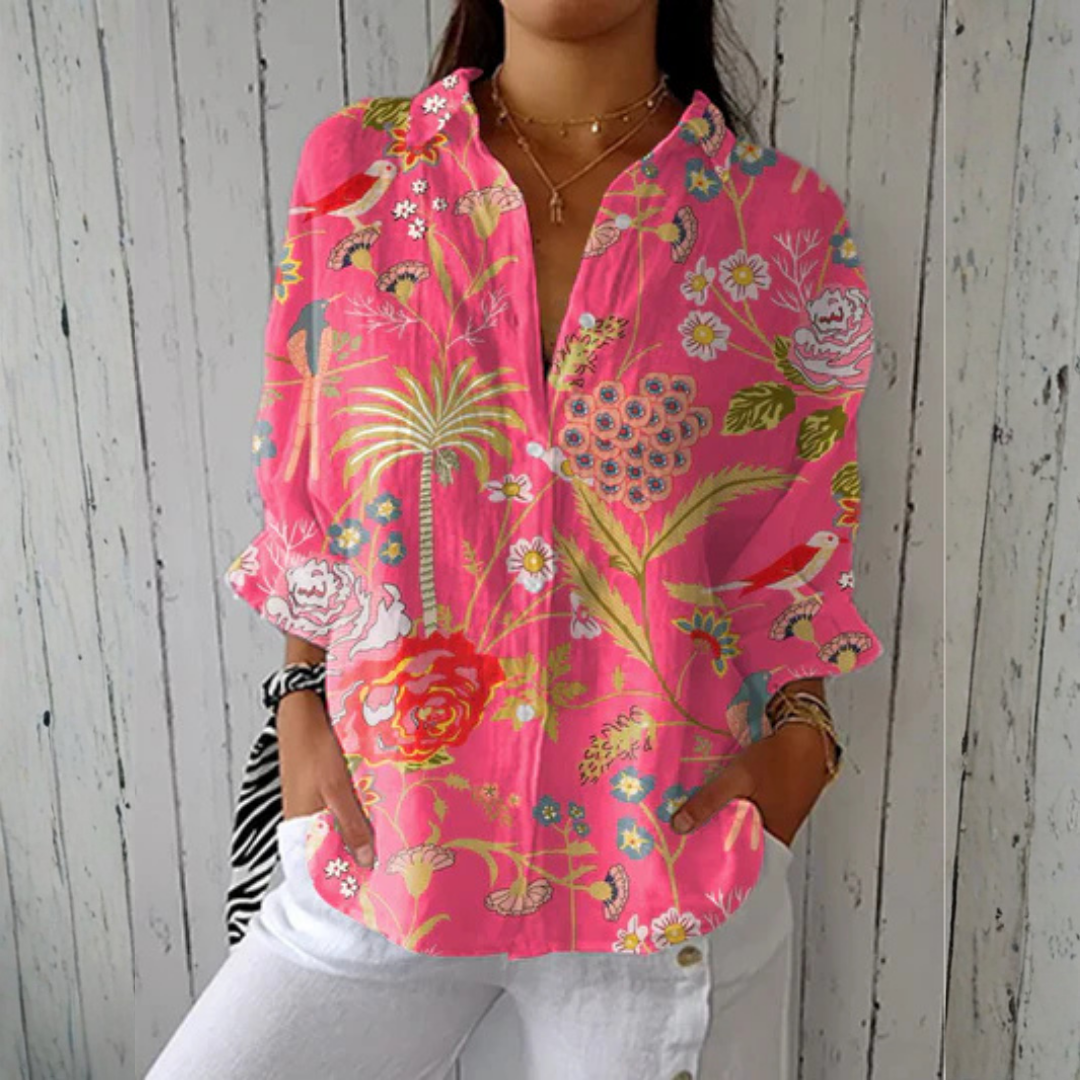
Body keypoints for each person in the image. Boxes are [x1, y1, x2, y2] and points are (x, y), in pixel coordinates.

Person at [148, 1, 883, 1076]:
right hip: (382, 846)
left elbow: (795, 535)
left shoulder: (777, 218)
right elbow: (312, 471)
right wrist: (298, 694)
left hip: (656, 877)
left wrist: (804, 740)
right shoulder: (360, 171)